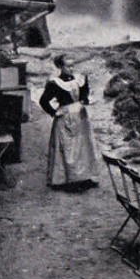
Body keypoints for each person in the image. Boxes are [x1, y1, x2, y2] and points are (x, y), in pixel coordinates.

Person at [39, 54, 100, 189]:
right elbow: (43, 101)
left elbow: (84, 96)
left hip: (81, 117)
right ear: (60, 66)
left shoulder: (79, 79)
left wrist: (85, 100)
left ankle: (84, 178)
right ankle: (66, 180)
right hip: (65, 119)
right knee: (67, 148)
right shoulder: (55, 83)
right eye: (68, 66)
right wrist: (54, 112)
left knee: (83, 147)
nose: (71, 68)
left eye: (73, 65)